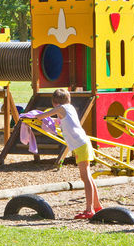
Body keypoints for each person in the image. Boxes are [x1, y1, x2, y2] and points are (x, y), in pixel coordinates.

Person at [33, 88, 102, 219]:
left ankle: (89, 209)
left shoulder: (60, 108)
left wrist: (32, 116)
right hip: (82, 143)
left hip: (80, 145)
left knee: (85, 177)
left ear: (54, 102)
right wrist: (47, 121)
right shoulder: (69, 109)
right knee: (87, 176)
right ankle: (97, 205)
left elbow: (42, 116)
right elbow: (57, 121)